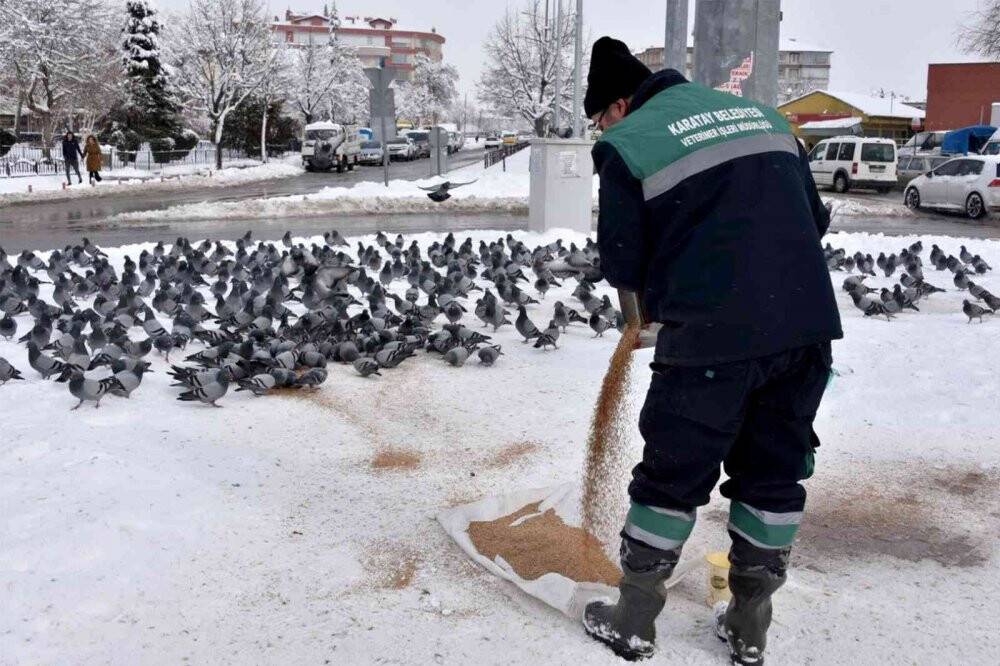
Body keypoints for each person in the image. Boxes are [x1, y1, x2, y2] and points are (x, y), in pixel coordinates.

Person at [580, 37, 843, 665]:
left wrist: (657, 305)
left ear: (619, 103)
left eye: (599, 117)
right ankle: (750, 626)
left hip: (710, 338)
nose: (601, 128)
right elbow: (816, 218)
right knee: (774, 473)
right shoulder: (761, 115)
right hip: (805, 329)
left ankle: (634, 619)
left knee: (672, 474)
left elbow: (622, 260)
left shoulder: (628, 141)